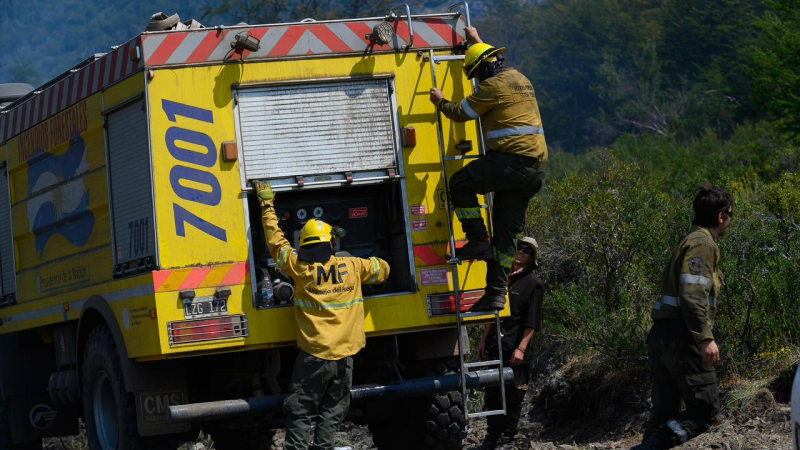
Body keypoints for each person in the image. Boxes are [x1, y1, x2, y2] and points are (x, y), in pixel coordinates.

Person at [254, 181, 390, 450]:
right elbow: (382, 268)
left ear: (304, 245)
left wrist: (267, 205)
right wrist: (375, 271)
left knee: (301, 409)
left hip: (314, 357)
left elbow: (275, 242)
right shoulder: (352, 266)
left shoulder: (299, 268)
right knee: (333, 410)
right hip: (344, 357)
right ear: (331, 243)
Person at [429, 27, 547, 312]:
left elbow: (461, 114)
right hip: (535, 170)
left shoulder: (491, 87)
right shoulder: (520, 78)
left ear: (483, 70)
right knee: (506, 237)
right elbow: (489, 60)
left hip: (512, 162)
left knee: (460, 183)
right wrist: (477, 42)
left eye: (476, 74)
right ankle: (495, 294)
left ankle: (477, 240)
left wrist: (440, 101)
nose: (477, 80)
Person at [633, 185, 733, 450]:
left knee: (664, 413)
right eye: (730, 215)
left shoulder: (690, 241)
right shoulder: (702, 244)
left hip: (664, 336)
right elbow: (692, 294)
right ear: (721, 216)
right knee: (705, 410)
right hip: (683, 337)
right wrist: (705, 338)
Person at [472, 236, 544, 450]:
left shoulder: (533, 283)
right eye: (519, 247)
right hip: (496, 347)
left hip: (516, 351)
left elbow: (532, 322)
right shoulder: (502, 278)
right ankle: (491, 438)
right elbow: (494, 314)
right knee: (493, 395)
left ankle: (508, 439)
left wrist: (521, 349)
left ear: (532, 258)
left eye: (527, 250)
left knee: (514, 396)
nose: (521, 252)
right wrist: (483, 341)